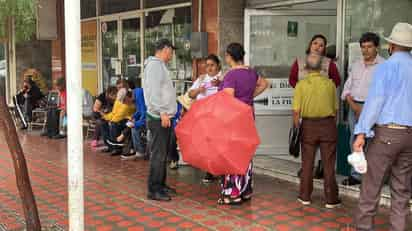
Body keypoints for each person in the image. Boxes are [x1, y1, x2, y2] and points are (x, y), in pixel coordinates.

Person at [352, 22, 412, 231]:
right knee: (402, 191)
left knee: (371, 186)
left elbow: (375, 102)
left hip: (387, 134)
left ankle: (364, 228)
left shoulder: (386, 67)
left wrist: (361, 132)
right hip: (409, 136)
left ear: (392, 45)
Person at [218, 43, 268, 205]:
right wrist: (249, 97)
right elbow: (265, 83)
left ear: (230, 56)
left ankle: (233, 193)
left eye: (226, 56)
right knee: (245, 153)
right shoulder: (251, 72)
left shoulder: (231, 75)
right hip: (248, 116)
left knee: (231, 154)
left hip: (234, 119)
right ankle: (245, 190)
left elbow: (228, 98)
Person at [289, 34, 341, 179]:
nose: (317, 47)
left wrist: (322, 91)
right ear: (310, 45)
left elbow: (336, 80)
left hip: (323, 109)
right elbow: (292, 79)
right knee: (306, 142)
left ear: (324, 49)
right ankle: (306, 168)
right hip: (304, 106)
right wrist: (303, 91)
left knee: (323, 143)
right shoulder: (299, 62)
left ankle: (322, 166)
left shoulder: (329, 63)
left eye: (321, 45)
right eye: (315, 43)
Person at [292, 53, 340, 208]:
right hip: (328, 125)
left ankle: (305, 196)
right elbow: (335, 110)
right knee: (328, 164)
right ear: (322, 67)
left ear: (305, 68)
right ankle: (331, 199)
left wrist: (296, 128)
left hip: (308, 126)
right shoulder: (330, 84)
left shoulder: (301, 85)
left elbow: (296, 112)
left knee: (307, 163)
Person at [340, 32, 385, 186]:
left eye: (369, 47)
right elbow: (346, 90)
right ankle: (356, 176)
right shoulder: (356, 65)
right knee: (355, 140)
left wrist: (366, 110)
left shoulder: (384, 66)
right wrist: (355, 107)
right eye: (363, 47)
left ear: (377, 47)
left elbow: (384, 93)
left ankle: (372, 177)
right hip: (354, 106)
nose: (365, 50)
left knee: (373, 142)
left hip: (375, 109)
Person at [143, 39, 178, 202]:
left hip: (164, 117)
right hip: (159, 118)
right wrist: (163, 112)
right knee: (158, 154)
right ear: (165, 49)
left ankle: (161, 185)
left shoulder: (159, 65)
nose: (172, 54)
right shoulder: (155, 66)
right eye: (171, 50)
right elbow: (154, 92)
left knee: (162, 154)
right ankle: (154, 189)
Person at [186, 54, 222, 182]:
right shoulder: (202, 79)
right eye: (207, 65)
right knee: (207, 144)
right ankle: (210, 170)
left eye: (212, 65)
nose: (209, 68)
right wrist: (198, 90)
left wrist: (220, 84)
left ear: (218, 65)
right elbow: (190, 94)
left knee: (217, 144)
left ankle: (217, 170)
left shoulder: (224, 77)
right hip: (202, 117)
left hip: (218, 116)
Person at [101, 89, 136, 155]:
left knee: (114, 124)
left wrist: (111, 120)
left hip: (126, 119)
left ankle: (116, 148)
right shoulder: (119, 100)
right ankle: (110, 146)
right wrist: (106, 117)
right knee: (103, 123)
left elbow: (121, 115)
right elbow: (114, 113)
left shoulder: (128, 101)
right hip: (120, 119)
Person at [120, 82, 147, 160]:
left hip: (153, 118)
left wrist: (136, 123)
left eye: (125, 102)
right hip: (148, 117)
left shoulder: (139, 95)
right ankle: (135, 150)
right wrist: (133, 116)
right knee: (132, 126)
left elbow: (144, 114)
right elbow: (139, 111)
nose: (127, 105)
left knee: (135, 128)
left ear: (127, 98)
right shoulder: (136, 93)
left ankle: (140, 152)